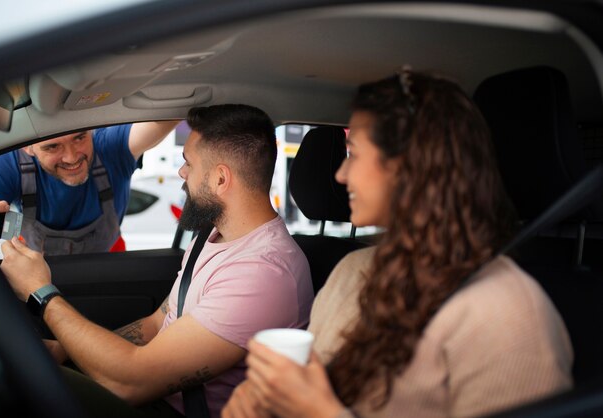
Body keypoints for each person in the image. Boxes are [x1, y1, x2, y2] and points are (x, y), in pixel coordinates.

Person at [222, 71, 574, 418]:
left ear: (411, 166)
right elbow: (312, 380)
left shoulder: (505, 312)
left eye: (354, 153)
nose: (340, 174)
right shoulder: (353, 270)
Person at [0, 104, 314, 418]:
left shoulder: (263, 273)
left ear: (220, 179)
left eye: (189, 163)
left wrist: (41, 291)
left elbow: (130, 383)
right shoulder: (213, 236)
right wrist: (63, 350)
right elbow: (157, 323)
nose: (181, 172)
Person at [0, 121, 179, 255]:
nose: (72, 157)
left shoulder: (110, 148)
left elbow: (163, 119)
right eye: (53, 147)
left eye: (79, 137)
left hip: (111, 270)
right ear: (27, 148)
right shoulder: (9, 163)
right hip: (36, 271)